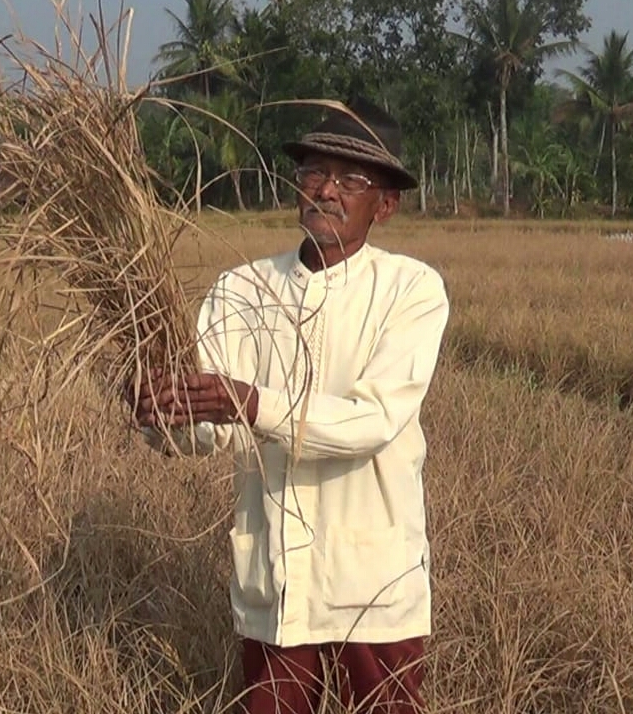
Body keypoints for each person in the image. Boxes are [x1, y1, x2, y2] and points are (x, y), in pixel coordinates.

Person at [127, 98, 450, 714]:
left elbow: (372, 422)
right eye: (313, 173)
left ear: (385, 204)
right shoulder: (242, 288)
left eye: (351, 179)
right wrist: (163, 415)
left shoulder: (412, 291)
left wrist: (251, 404)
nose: (326, 190)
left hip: (374, 589)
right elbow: (213, 431)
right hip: (277, 586)